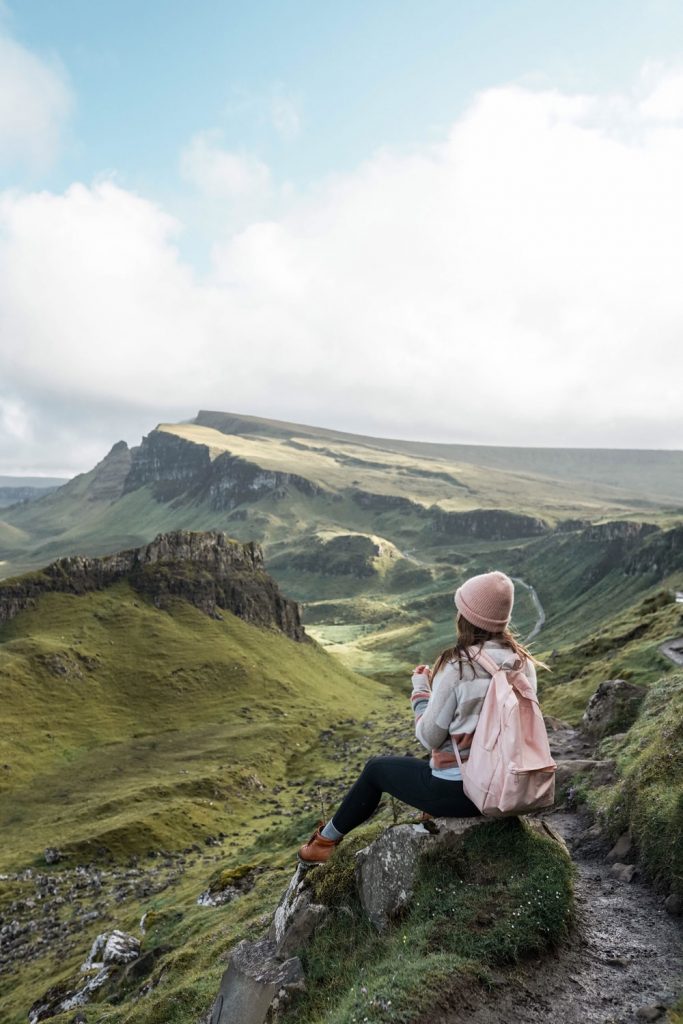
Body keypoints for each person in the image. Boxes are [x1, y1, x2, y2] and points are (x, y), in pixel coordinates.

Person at [297, 569, 545, 864]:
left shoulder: (458, 667)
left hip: (462, 793)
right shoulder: (523, 663)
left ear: (466, 617)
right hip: (509, 787)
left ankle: (324, 843)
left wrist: (420, 692)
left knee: (377, 769)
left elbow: (429, 736)